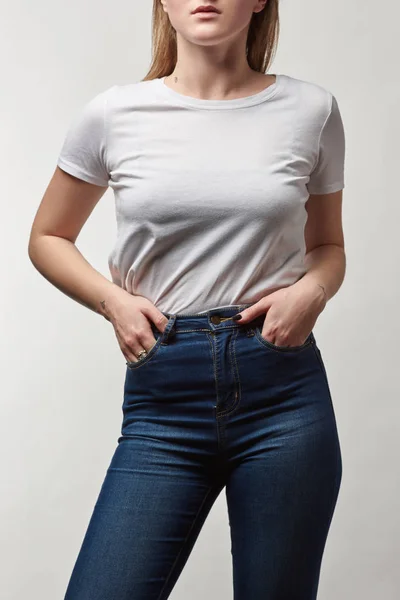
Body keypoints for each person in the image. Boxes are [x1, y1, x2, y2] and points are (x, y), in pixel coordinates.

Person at [28, 1, 346, 598]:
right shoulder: (115, 113)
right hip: (163, 398)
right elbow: (47, 237)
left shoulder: (312, 110)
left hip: (283, 396)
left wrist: (312, 291)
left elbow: (328, 245)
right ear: (163, 4)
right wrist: (111, 302)